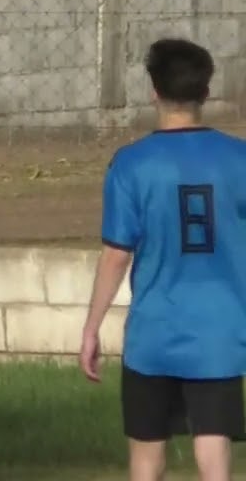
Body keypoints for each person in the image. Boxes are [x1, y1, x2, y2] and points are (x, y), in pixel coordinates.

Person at [80, 38, 246, 481]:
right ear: (206, 93)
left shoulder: (131, 165)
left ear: (152, 91)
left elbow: (116, 255)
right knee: (214, 457)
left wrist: (92, 327)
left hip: (154, 336)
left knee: (147, 458)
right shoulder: (239, 159)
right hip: (221, 333)